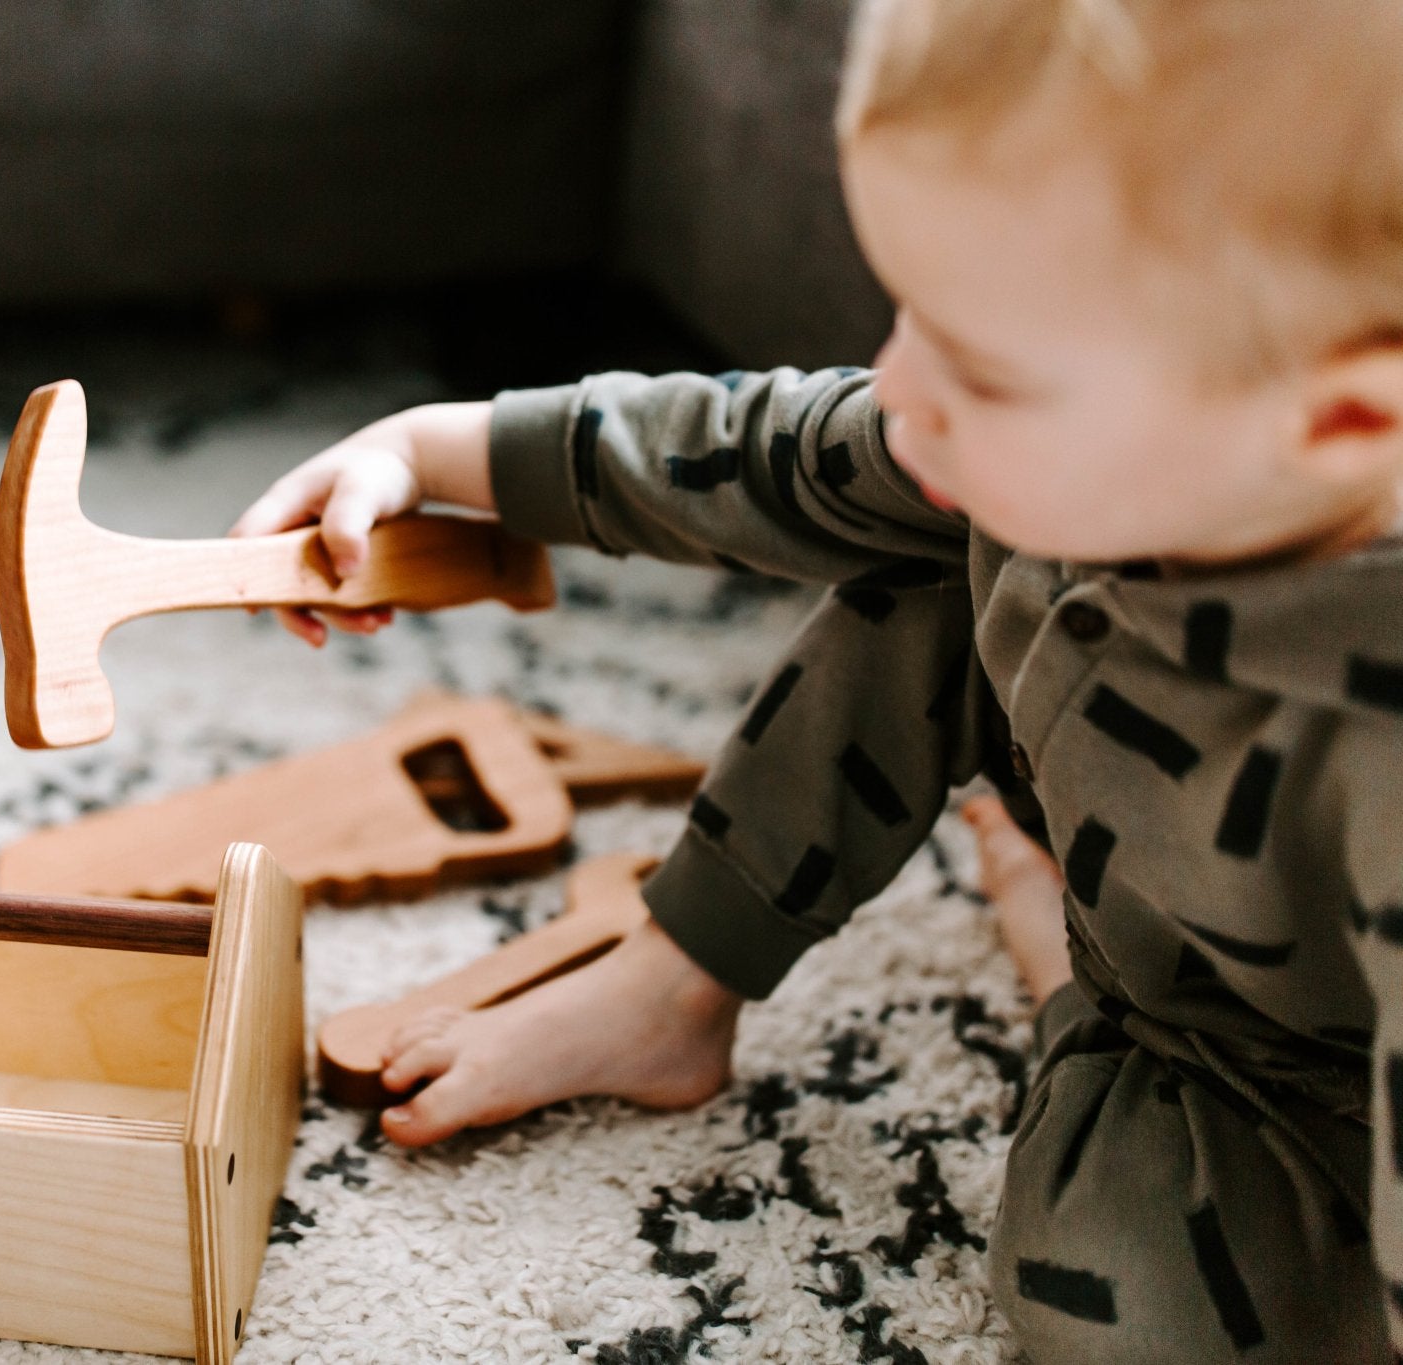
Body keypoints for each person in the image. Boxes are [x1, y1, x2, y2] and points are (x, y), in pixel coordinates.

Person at [230, 1, 1403, 1358]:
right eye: (913, 318)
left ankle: (1056, 959)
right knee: (932, 563)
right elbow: (762, 454)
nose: (899, 385)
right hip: (1135, 832)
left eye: (982, 368)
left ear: (1340, 423)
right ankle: (678, 982)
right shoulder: (1076, 445)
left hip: (1305, 1066)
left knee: (1121, 1297)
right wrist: (433, 452)